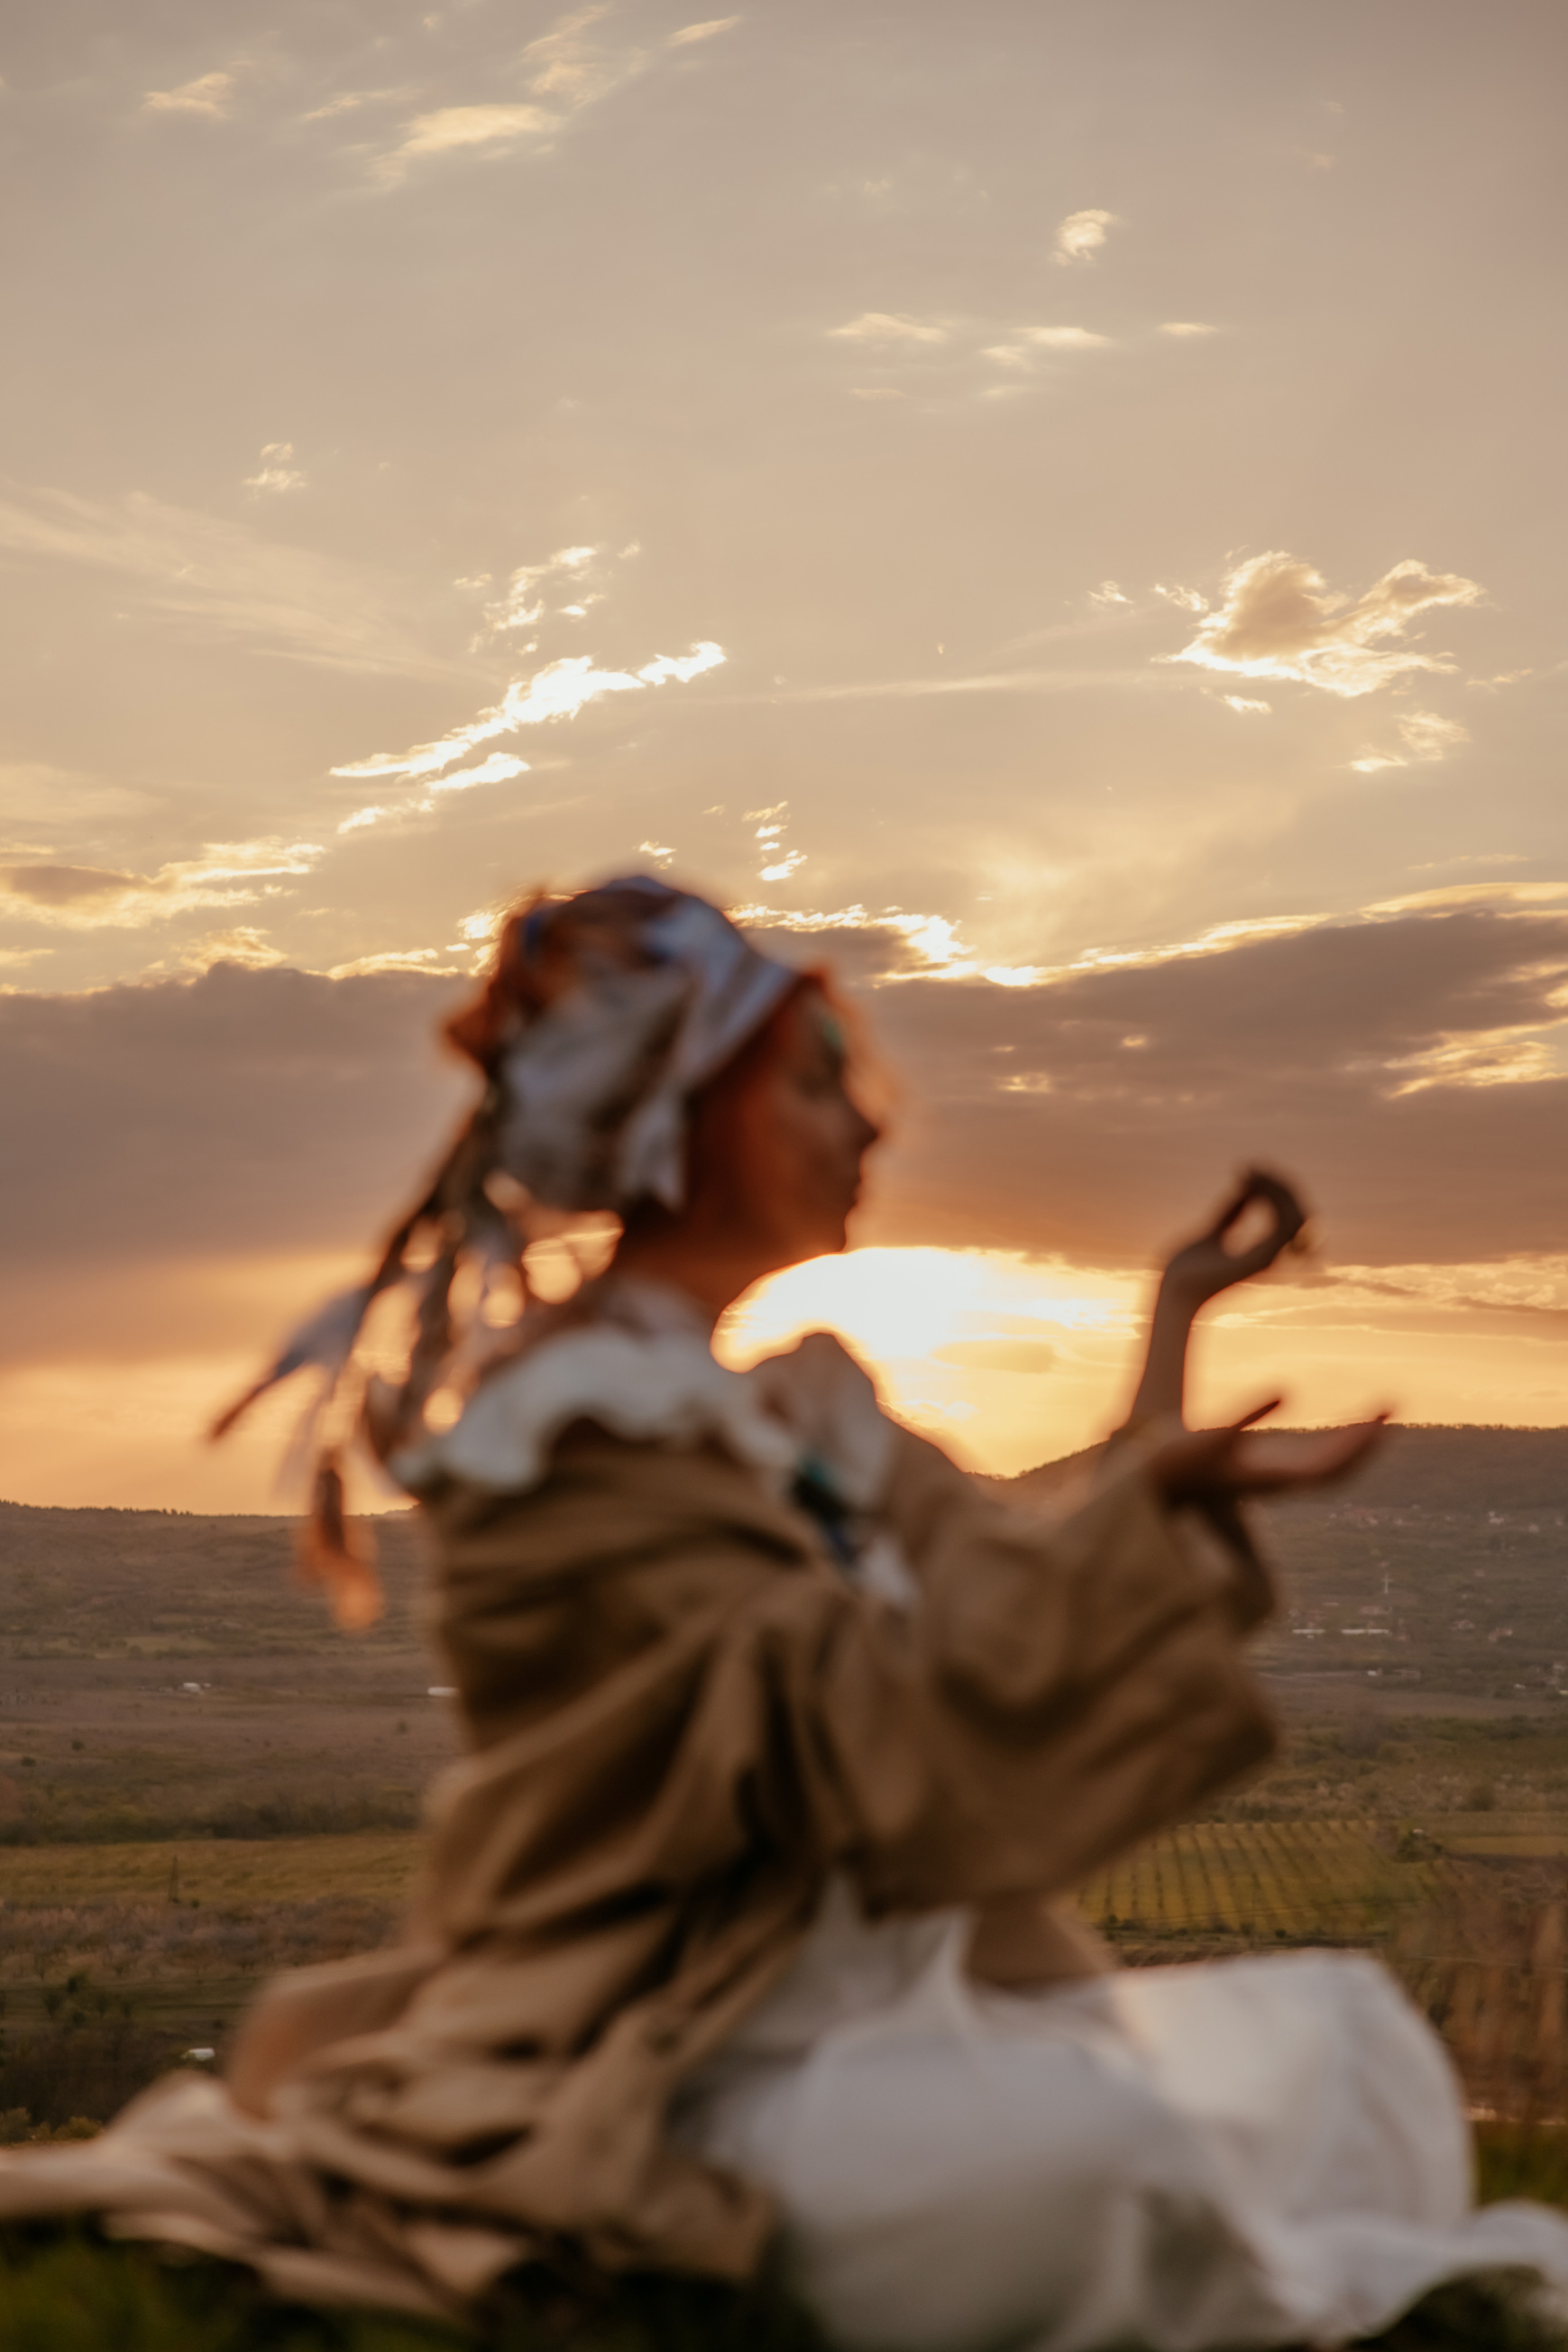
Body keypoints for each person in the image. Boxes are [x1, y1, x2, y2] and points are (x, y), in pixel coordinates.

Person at [2, 873, 1565, 2349]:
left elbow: (1000, 1572)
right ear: (686, 1121)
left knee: (1360, 2054)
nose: (869, 1121)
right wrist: (1150, 1509)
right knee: (1118, 2168)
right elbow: (848, 1724)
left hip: (898, 1989)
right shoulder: (567, 1440)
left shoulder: (804, 1406)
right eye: (818, 1081)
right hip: (688, 2034)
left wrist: (1164, 1330)